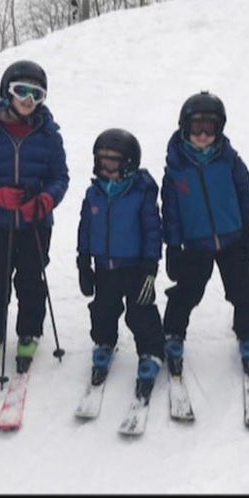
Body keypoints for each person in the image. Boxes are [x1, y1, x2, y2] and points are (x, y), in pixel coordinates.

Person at [0, 59, 69, 379]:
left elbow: (60, 177)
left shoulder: (49, 134)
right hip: (0, 223)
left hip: (36, 223)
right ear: (7, 92)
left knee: (31, 279)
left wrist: (47, 199)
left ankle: (29, 331)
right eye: (21, 91)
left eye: (36, 94)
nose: (28, 100)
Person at [160, 91, 249, 379]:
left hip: (233, 239)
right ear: (184, 127)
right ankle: (173, 334)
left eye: (210, 128)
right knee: (186, 292)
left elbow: (245, 193)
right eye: (197, 128)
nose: (203, 135)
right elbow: (171, 212)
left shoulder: (229, 160)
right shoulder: (176, 170)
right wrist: (173, 245)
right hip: (196, 244)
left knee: (245, 291)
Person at [76, 128, 164, 400]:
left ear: (129, 163)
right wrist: (83, 261)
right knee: (103, 308)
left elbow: (153, 229)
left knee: (140, 311)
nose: (108, 167)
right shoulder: (94, 194)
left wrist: (151, 264)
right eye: (103, 161)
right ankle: (104, 341)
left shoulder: (141, 193)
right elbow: (85, 228)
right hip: (104, 266)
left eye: (114, 161)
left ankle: (150, 351)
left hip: (135, 267)